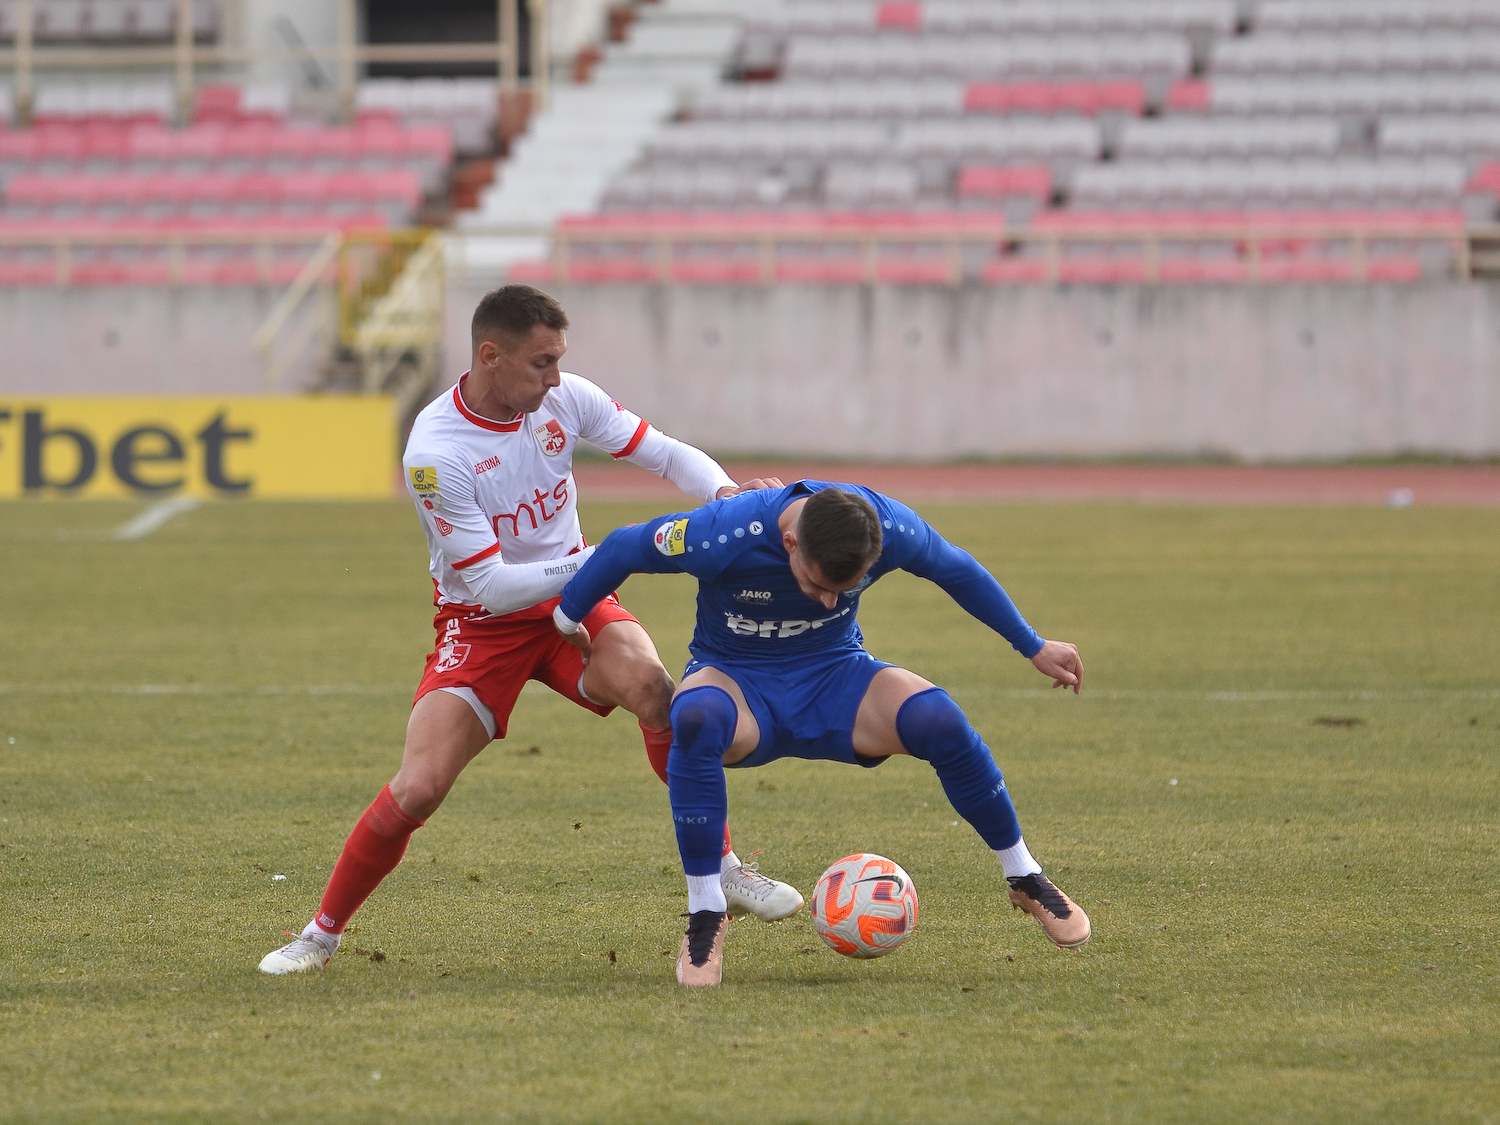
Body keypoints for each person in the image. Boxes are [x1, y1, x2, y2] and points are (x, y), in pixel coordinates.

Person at [259, 286, 800, 975]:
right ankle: (321, 933)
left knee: (658, 691)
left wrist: (725, 495)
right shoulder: (435, 452)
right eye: (541, 363)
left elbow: (663, 453)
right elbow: (489, 584)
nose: (555, 378)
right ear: (491, 356)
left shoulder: (564, 399)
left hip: (575, 602)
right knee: (419, 786)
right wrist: (605, 558)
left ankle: (722, 866)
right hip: (483, 623)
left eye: (558, 361)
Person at [551, 481, 1090, 986]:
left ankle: (1025, 877)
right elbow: (624, 547)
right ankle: (707, 910)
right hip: (738, 682)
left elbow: (957, 569)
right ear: (789, 542)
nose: (829, 601)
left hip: (837, 676)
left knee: (939, 719)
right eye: (816, 584)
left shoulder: (886, 525)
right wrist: (564, 620)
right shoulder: (723, 533)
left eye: (844, 589)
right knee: (693, 717)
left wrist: (1032, 644)